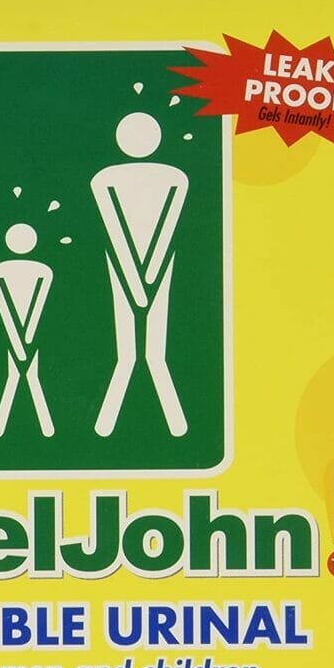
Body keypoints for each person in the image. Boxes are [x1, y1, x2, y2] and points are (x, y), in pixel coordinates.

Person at [90, 112, 188, 437]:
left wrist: (144, 280)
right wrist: (139, 280)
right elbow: (115, 227)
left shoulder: (174, 178)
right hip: (129, 269)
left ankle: (172, 425)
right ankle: (115, 424)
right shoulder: (106, 179)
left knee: (152, 353)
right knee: (130, 354)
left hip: (150, 269)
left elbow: (166, 226)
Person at [0, 223, 54, 437]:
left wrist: (23, 339)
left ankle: (0, 430)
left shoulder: (0, 271)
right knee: (22, 375)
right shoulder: (41, 270)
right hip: (18, 333)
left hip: (25, 333)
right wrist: (19, 340)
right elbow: (4, 303)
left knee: (24, 374)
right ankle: (45, 430)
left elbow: (38, 302)